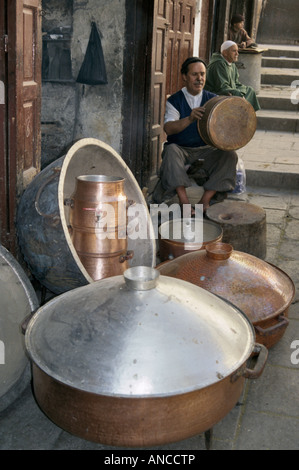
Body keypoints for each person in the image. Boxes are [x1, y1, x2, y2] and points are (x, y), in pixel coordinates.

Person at [152, 57, 238, 213]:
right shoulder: (175, 100)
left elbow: (224, 130)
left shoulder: (212, 99)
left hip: (206, 149)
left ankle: (205, 201)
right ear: (185, 76)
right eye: (195, 74)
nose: (200, 79)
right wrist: (190, 119)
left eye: (203, 74)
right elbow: (169, 128)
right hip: (181, 149)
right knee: (170, 151)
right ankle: (184, 202)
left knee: (229, 155)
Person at [205, 41, 261, 111]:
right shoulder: (219, 64)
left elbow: (236, 83)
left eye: (237, 51)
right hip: (216, 92)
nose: (237, 54)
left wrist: (242, 90)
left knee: (250, 90)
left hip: (229, 89)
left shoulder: (232, 64)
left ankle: (247, 114)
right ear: (225, 53)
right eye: (234, 51)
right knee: (238, 94)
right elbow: (222, 87)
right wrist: (237, 92)